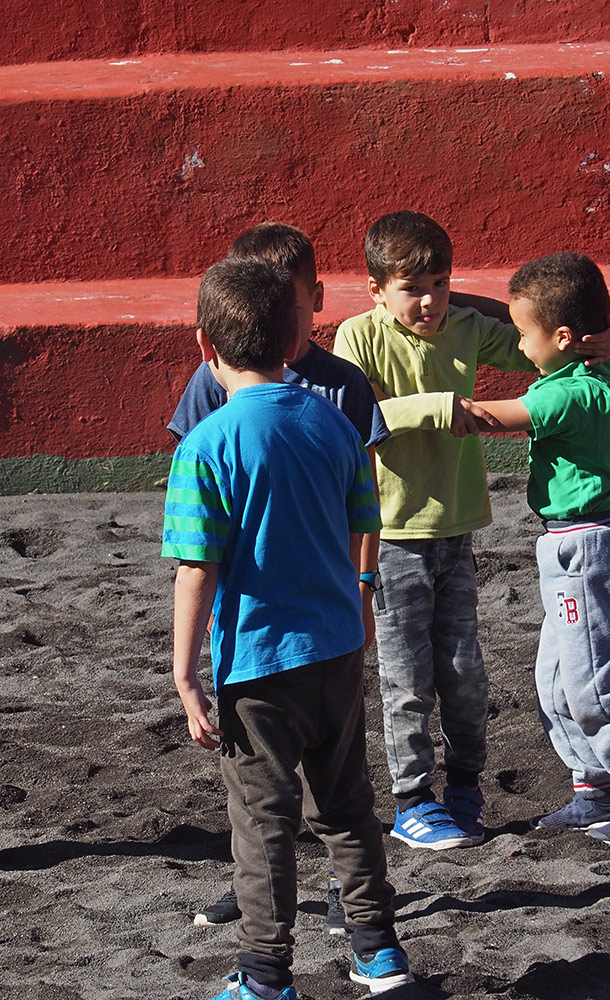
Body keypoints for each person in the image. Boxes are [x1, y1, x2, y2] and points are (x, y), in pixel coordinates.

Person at [164, 257, 412, 999]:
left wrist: (184, 674)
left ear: (205, 345)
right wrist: (358, 596)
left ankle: (267, 974)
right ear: (296, 336)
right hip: (336, 648)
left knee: (262, 821)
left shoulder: (206, 445)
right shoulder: (335, 423)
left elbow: (197, 568)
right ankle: (378, 951)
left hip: (258, 662)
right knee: (347, 805)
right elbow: (366, 519)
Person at [332, 211, 610, 850]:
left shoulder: (463, 326)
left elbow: (531, 341)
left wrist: (591, 338)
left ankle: (464, 788)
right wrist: (439, 407)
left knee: (463, 670)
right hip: (392, 534)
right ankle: (412, 800)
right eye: (412, 288)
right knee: (406, 677)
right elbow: (355, 415)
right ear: (375, 290)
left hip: (456, 529)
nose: (430, 301)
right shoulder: (359, 336)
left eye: (441, 284)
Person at [468, 252, 610, 847]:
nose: (519, 346)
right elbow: (565, 322)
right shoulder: (599, 367)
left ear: (566, 337)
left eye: (524, 334)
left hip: (587, 549)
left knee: (594, 683)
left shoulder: (570, 394)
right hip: (571, 546)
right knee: (554, 681)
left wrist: (395, 411)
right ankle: (596, 788)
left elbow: (487, 417)